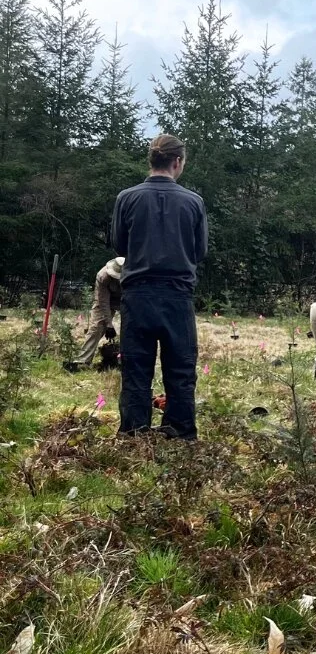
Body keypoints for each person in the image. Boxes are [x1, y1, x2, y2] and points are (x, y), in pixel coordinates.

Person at [112, 134, 208, 439]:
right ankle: (179, 435)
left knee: (136, 369)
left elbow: (119, 244)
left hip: (137, 295)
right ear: (177, 162)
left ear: (151, 160)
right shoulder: (194, 202)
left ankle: (134, 435)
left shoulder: (126, 198)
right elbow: (200, 251)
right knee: (180, 370)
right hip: (177, 296)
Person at [64, 257, 124, 372]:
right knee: (96, 327)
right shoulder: (102, 276)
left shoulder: (134, 274)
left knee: (130, 328)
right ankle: (83, 361)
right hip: (106, 299)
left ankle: (125, 360)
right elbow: (104, 302)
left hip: (125, 298)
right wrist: (109, 325)